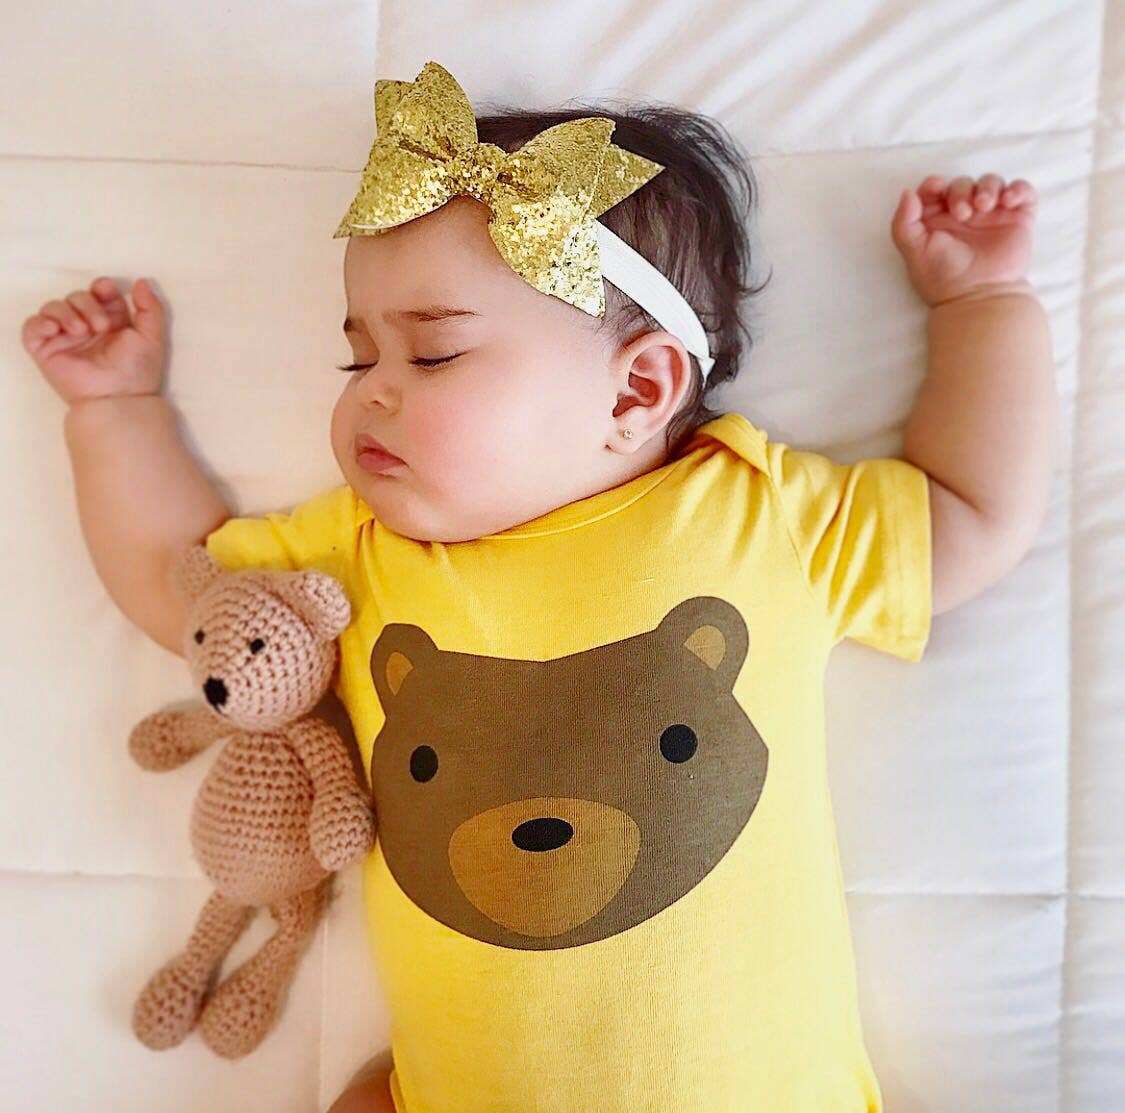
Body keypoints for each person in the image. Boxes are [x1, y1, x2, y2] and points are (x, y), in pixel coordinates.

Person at [22, 59, 1055, 1113]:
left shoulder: (754, 511)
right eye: (358, 359)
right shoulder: (361, 553)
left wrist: (986, 304)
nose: (371, 395)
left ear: (638, 389)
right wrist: (114, 414)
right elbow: (185, 595)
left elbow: (966, 512)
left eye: (432, 355)